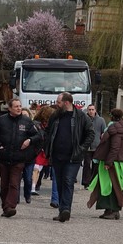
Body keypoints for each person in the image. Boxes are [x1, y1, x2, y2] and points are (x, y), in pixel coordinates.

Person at [44, 92, 94, 223]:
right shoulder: (55, 116)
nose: (56, 104)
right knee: (60, 182)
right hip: (57, 156)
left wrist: (81, 148)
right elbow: (48, 131)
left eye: (58, 102)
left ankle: (66, 209)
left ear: (66, 103)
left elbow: (90, 133)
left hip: (73, 157)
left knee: (68, 181)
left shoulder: (81, 116)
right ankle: (62, 210)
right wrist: (47, 146)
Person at [0, 98, 41, 218]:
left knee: (14, 183)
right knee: (4, 185)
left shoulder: (26, 121)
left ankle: (11, 207)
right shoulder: (1, 121)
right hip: (4, 158)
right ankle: (5, 206)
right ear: (10, 108)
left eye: (20, 106)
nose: (19, 108)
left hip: (19, 158)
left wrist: (29, 140)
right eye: (16, 106)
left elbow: (38, 135)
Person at [87, 108, 123, 219]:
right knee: (106, 185)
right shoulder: (117, 128)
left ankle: (113, 210)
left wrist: (109, 162)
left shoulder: (115, 129)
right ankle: (108, 209)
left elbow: (115, 147)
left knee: (112, 186)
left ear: (112, 116)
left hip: (113, 162)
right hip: (113, 160)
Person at [82, 104, 107, 187]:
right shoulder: (84, 119)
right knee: (86, 164)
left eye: (92, 109)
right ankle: (86, 183)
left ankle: (93, 182)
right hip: (87, 147)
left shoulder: (101, 120)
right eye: (89, 110)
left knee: (95, 165)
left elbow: (104, 132)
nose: (91, 111)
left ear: (95, 110)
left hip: (97, 147)